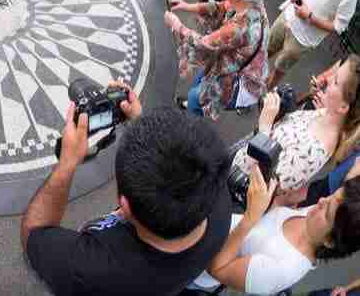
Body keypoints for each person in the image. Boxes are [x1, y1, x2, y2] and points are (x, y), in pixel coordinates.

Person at [21, 95, 233, 296]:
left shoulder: (89, 270)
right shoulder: (216, 193)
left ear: (125, 208)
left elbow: (34, 232)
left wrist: (67, 164)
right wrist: (144, 126)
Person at [194, 161, 360, 296]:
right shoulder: (315, 219)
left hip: (193, 261)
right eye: (332, 195)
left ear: (330, 241)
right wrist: (272, 195)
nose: (322, 200)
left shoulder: (281, 270)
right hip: (208, 223)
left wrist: (251, 216)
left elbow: (217, 269)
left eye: (327, 213)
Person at [232, 56, 360, 202]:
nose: (329, 79)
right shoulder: (325, 113)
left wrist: (264, 128)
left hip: (235, 186)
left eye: (336, 81)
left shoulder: (313, 151)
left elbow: (264, 188)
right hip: (239, 162)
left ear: (343, 107)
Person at [166, 0, 268, 120]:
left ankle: (191, 126)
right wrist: (186, 6)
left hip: (242, 83)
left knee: (194, 97)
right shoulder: (251, 4)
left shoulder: (239, 28)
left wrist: (177, 25)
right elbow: (220, 7)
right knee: (201, 80)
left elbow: (202, 44)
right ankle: (196, 107)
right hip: (233, 66)